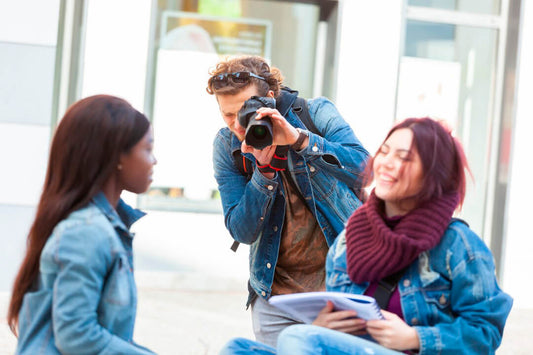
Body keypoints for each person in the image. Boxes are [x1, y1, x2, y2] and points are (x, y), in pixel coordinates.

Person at [220, 117, 513, 354]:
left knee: (298, 340)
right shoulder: (350, 239)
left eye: (405, 158)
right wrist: (324, 327)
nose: (386, 163)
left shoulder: (458, 245)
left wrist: (415, 338)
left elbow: (484, 333)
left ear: (432, 175)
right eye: (384, 151)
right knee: (238, 349)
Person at [208, 55, 369, 346]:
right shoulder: (226, 146)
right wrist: (263, 174)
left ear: (269, 98)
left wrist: (301, 140)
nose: (237, 125)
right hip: (275, 301)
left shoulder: (315, 113)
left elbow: (364, 169)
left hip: (339, 291)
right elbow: (241, 231)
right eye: (227, 115)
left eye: (244, 111)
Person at [7, 95, 157, 354]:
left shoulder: (104, 227)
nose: (153, 160)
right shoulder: (86, 231)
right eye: (148, 148)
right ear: (117, 156)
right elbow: (77, 336)